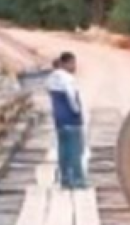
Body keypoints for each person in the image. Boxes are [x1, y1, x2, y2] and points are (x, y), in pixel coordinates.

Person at [46, 51, 87, 189]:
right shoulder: (68, 78)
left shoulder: (51, 78)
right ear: (65, 63)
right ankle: (77, 179)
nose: (74, 66)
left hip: (59, 119)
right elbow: (71, 95)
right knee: (75, 150)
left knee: (63, 150)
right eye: (73, 63)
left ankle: (65, 179)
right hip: (71, 118)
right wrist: (76, 111)